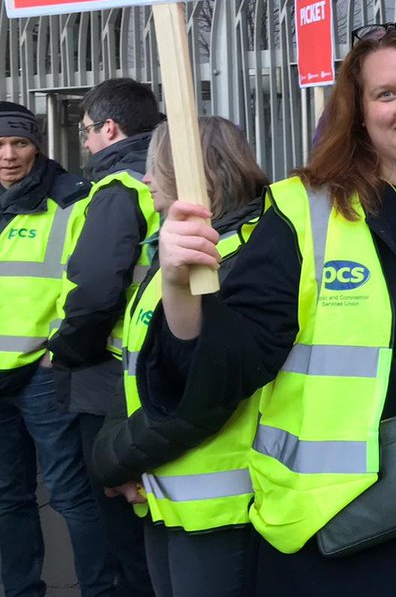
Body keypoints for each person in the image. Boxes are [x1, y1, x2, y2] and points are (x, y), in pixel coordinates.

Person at [139, 20, 396, 595]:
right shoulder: (306, 211)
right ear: (357, 114)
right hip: (358, 533)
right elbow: (229, 361)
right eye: (386, 94)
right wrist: (179, 288)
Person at [90, 116, 268, 597]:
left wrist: (113, 459)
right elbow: (137, 372)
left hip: (223, 509)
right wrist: (122, 459)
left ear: (200, 171)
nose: (146, 178)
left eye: (158, 167)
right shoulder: (172, 255)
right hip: (161, 495)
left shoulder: (245, 256)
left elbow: (199, 395)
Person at [48, 77, 161, 597]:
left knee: (125, 529)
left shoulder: (119, 190)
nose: (87, 142)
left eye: (88, 131)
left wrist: (70, 348)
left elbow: (94, 291)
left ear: (109, 129)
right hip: (155, 367)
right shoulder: (166, 176)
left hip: (109, 377)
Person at [0, 101, 114, 597]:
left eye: (19, 143)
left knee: (72, 496)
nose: (8, 155)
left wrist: (59, 349)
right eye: (0, 145)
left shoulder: (70, 199)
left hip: (42, 375)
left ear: (37, 146)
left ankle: (99, 590)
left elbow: (88, 282)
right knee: (7, 499)